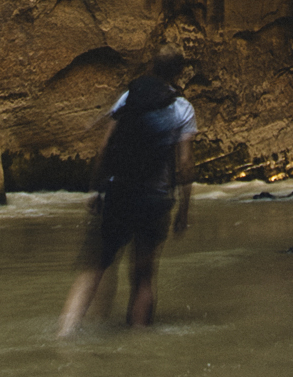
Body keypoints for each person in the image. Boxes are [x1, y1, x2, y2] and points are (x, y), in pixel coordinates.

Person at [58, 51, 196, 336]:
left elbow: (105, 147)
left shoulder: (128, 97)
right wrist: (184, 210)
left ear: (151, 66)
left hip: (120, 191)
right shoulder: (183, 108)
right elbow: (184, 165)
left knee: (95, 267)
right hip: (155, 198)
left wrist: (96, 190)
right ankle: (138, 344)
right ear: (179, 74)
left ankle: (65, 333)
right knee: (143, 275)